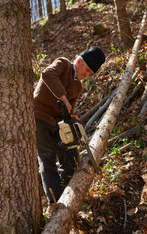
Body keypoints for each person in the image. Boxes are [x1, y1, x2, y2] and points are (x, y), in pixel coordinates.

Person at [34, 46, 105, 208]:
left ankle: (68, 193)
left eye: (89, 74)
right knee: (47, 159)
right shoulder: (63, 64)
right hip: (39, 117)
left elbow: (69, 109)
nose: (85, 75)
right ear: (79, 61)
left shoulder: (78, 86)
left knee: (70, 156)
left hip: (57, 123)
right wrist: (63, 98)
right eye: (86, 70)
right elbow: (47, 74)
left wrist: (72, 119)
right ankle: (56, 202)